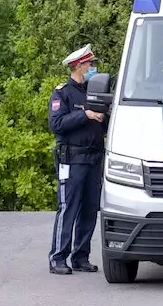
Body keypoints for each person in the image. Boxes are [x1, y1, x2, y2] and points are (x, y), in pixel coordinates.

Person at [48, 44, 109, 275]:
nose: (93, 69)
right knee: (68, 208)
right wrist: (84, 115)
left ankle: (81, 256)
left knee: (90, 208)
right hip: (72, 160)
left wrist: (104, 115)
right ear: (79, 66)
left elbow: (104, 124)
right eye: (90, 65)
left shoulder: (95, 92)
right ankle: (58, 257)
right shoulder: (62, 93)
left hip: (94, 159)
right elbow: (56, 124)